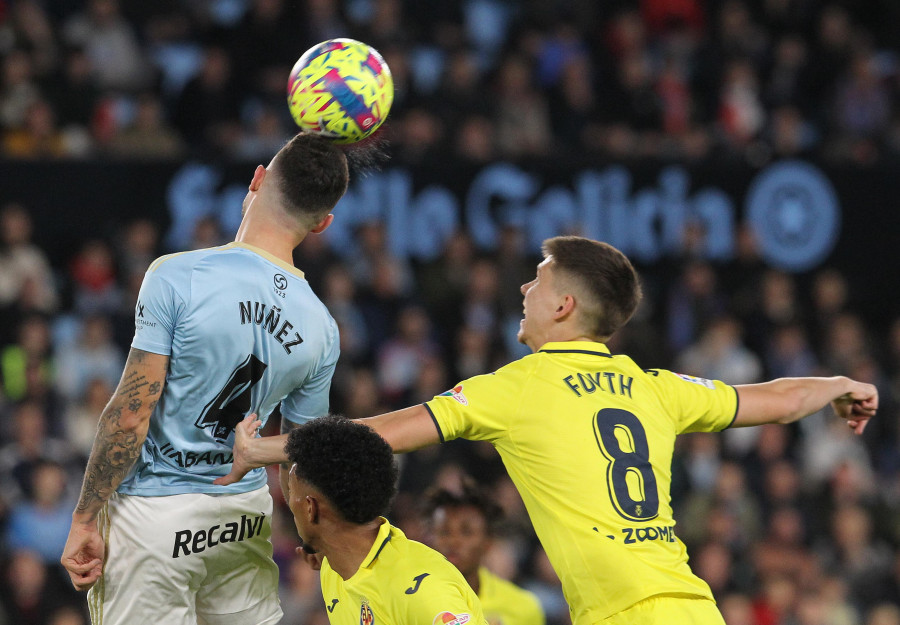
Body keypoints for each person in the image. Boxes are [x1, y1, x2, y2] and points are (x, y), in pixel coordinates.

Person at [219, 235, 879, 625]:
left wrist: (265, 447)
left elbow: (380, 434)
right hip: (691, 606)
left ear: (563, 304)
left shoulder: (517, 387)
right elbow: (777, 395)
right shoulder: (655, 386)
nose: (524, 291)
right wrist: (840, 386)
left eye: (536, 281)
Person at [60, 131, 350, 625]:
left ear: (257, 180)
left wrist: (86, 515)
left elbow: (131, 414)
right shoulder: (321, 327)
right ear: (323, 223)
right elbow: (302, 451)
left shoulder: (177, 276)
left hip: (153, 518)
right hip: (242, 519)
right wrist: (314, 535)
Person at [284, 415, 487, 625]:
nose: (289, 501)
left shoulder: (422, 591)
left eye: (290, 491)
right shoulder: (335, 565)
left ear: (310, 509)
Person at [426, 480, 546, 625]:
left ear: (488, 542)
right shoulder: (412, 599)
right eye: (444, 532)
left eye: (466, 532)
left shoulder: (522, 607)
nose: (453, 541)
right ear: (429, 538)